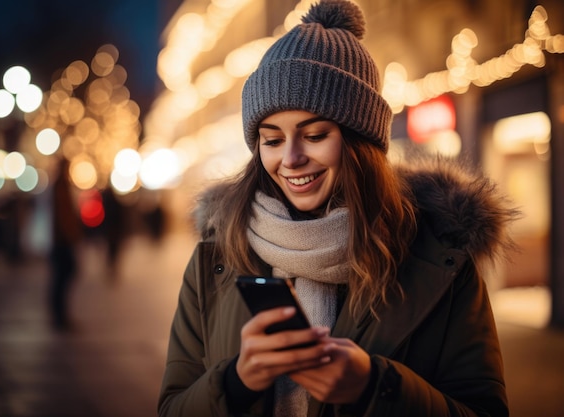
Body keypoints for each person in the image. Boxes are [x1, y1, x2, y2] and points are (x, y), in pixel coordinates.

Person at [158, 1, 519, 416]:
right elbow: (172, 407)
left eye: (314, 134)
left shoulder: (441, 259)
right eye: (272, 140)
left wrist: (375, 387)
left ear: (360, 142)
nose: (290, 158)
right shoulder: (216, 257)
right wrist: (237, 381)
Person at [49, 157, 83, 330]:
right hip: (62, 241)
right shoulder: (61, 186)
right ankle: (59, 315)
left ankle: (59, 314)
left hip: (61, 240)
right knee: (64, 276)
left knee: (62, 277)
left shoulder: (60, 185)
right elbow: (63, 215)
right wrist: (71, 235)